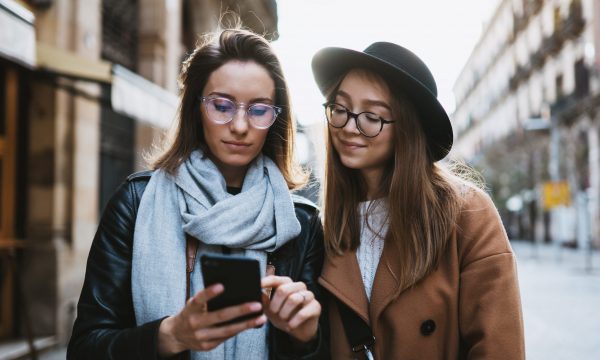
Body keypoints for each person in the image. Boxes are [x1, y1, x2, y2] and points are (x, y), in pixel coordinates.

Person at [68, 28, 327, 360]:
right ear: (196, 108)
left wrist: (306, 338)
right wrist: (171, 334)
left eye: (259, 110)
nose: (239, 125)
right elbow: (84, 349)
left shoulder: (299, 222)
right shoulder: (135, 202)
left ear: (276, 119)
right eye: (222, 105)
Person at [311, 42, 525, 359]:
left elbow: (498, 349)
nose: (350, 127)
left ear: (407, 128)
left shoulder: (467, 214)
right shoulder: (326, 226)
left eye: (372, 115)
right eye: (340, 109)